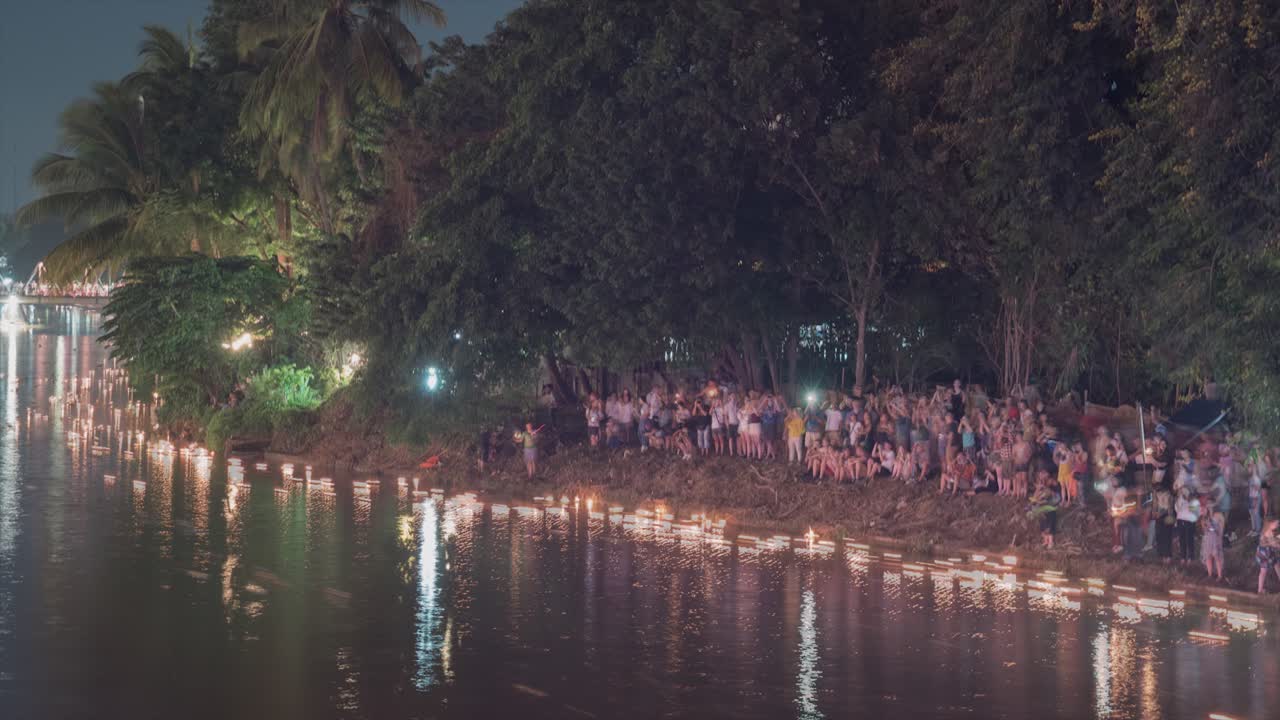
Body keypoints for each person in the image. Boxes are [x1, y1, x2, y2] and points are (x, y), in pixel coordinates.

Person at [1028, 470, 1061, 550]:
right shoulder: (1040, 487)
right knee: (1043, 526)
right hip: (1042, 510)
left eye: (1042, 475)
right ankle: (1046, 541)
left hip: (1050, 509)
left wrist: (1040, 499)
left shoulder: (1050, 486)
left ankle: (1051, 542)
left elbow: (1049, 496)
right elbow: (1035, 498)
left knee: (1049, 526)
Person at [1201, 509, 1226, 582]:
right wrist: (1206, 525)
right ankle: (1210, 574)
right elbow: (1204, 529)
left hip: (1215, 539)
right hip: (1208, 539)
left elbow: (1218, 530)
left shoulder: (1218, 515)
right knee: (1208, 557)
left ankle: (1219, 575)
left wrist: (1211, 527)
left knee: (1216, 557)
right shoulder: (1205, 518)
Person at [1256, 519, 1280, 594]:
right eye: (1276, 523)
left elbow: (1274, 541)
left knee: (1276, 565)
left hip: (1265, 552)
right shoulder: (1268, 532)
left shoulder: (1266, 528)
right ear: (1271, 523)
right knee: (1264, 571)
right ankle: (1260, 590)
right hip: (1265, 554)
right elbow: (1274, 544)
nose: (1278, 525)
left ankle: (1260, 590)